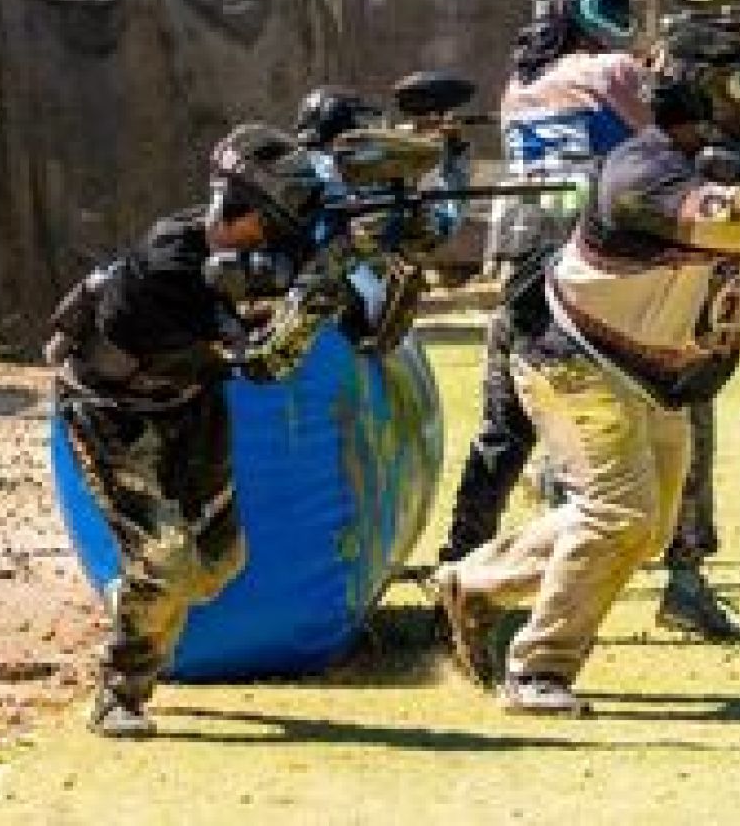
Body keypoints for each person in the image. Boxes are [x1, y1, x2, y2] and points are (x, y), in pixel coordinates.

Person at [435, 33, 740, 715]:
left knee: (647, 530)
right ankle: (537, 669)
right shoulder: (641, 173)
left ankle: (472, 584)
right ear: (699, 94)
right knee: (617, 514)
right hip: (575, 358)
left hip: (652, 373)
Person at [49, 117, 469, 737]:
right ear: (240, 211)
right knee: (167, 564)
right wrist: (320, 284)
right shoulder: (166, 267)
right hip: (113, 416)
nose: (292, 232)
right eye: (284, 217)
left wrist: (389, 255)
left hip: (192, 410)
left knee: (218, 565)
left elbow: (374, 336)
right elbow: (267, 365)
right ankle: (122, 690)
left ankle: (139, 603)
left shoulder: (269, 253)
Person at [442, 0, 740, 640]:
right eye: (607, 12)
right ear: (580, 19)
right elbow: (682, 133)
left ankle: (460, 561)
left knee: (506, 428)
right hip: (604, 266)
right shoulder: (610, 70)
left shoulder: (518, 87)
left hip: (523, 264)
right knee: (680, 398)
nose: (620, 25)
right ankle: (685, 581)